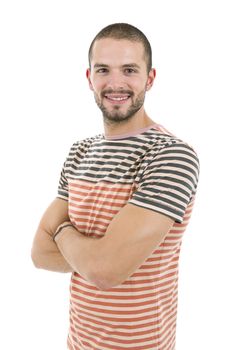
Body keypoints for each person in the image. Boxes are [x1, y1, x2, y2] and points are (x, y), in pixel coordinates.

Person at [31, 23, 199, 350]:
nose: (116, 83)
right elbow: (39, 254)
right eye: (104, 70)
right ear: (89, 78)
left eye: (130, 70)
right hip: (77, 343)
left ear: (149, 78)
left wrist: (63, 232)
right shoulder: (79, 152)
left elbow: (105, 271)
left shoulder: (170, 155)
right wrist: (96, 255)